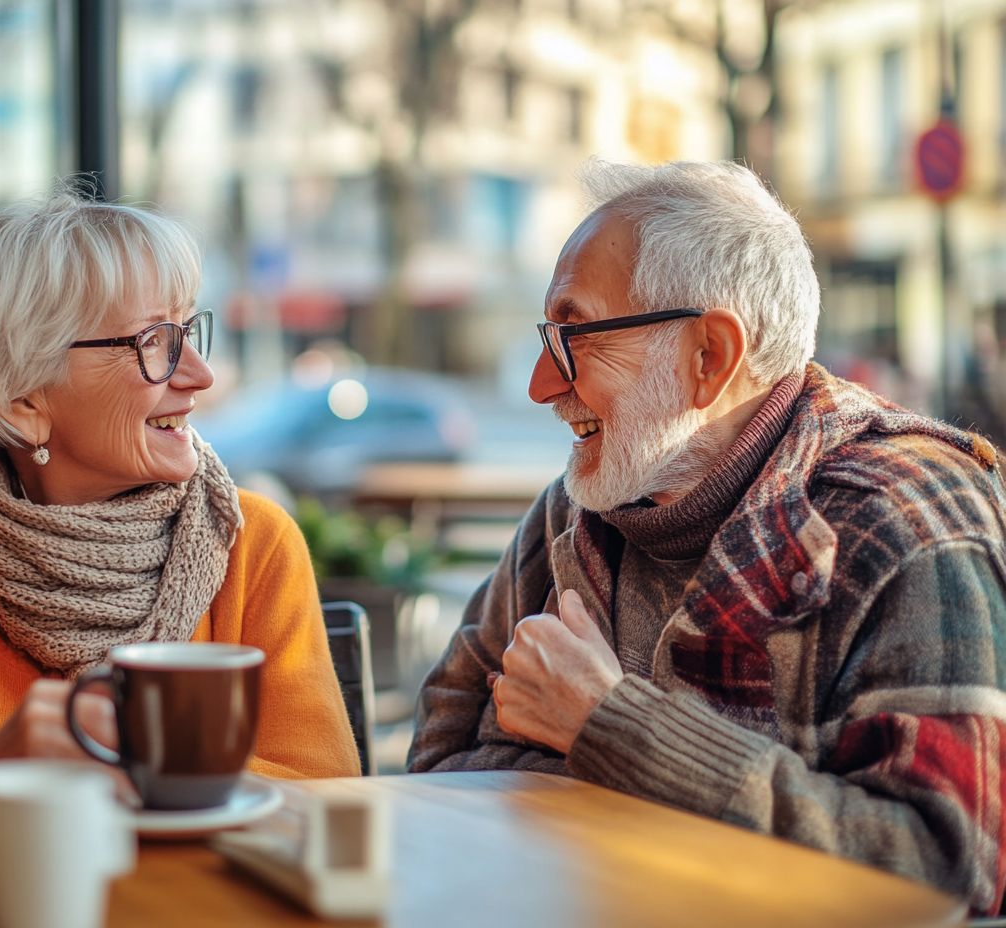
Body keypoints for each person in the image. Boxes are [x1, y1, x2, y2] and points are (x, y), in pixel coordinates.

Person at [407, 160, 1006, 914]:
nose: (540, 383)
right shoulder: (572, 514)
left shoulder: (907, 522)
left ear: (709, 359)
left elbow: (950, 870)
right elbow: (437, 764)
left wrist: (607, 724)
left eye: (576, 335)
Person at [0, 189, 360, 858]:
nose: (199, 376)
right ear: (20, 398)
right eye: (154, 343)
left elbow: (332, 811)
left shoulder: (252, 545)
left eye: (188, 334)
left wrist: (133, 757)